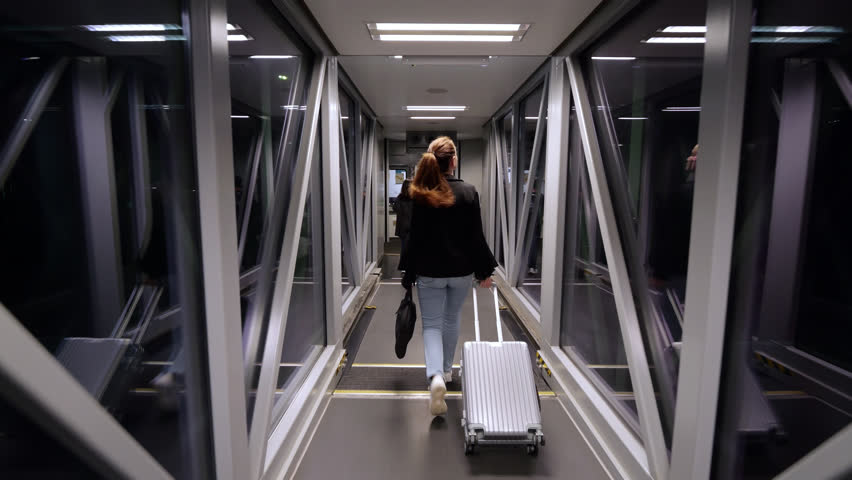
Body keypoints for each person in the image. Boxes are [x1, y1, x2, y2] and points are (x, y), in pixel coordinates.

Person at [399, 136, 498, 416]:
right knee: (451, 319)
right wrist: (485, 271)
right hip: (460, 272)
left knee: (431, 325)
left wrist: (408, 272)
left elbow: (412, 238)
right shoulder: (468, 192)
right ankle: (447, 370)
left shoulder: (419, 194)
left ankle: (436, 377)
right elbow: (475, 237)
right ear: (453, 161)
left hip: (429, 271)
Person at [394, 178, 413, 263]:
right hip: (410, 227)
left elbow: (395, 209)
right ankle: (410, 266)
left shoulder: (399, 197)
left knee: (404, 248)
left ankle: (404, 266)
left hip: (402, 228)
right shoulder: (414, 198)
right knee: (410, 248)